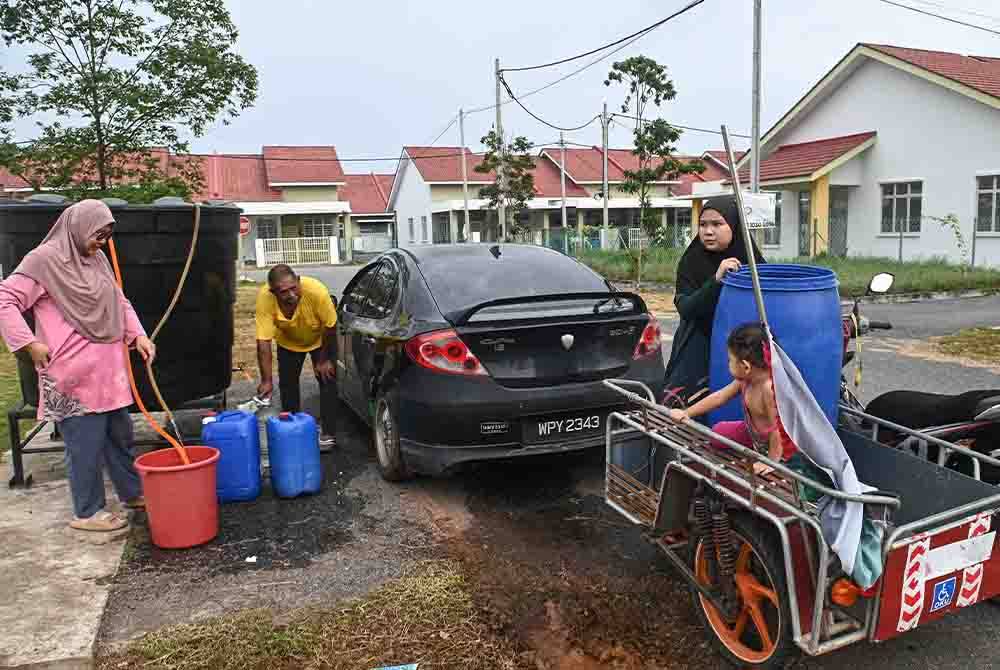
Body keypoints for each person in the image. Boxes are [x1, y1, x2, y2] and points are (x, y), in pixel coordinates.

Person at [0, 200, 156, 533]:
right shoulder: (42, 261)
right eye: (98, 234)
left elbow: (119, 301)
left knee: (119, 437)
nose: (102, 241)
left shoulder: (96, 259)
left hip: (108, 372)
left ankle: (132, 492)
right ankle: (87, 512)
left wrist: (137, 335)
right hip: (71, 374)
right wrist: (28, 343)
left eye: (107, 234)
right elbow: (6, 299)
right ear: (78, 226)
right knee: (84, 446)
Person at [663, 195, 764, 408]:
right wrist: (715, 281)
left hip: (744, 351)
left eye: (717, 224)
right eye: (703, 224)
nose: (708, 231)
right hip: (699, 348)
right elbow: (686, 309)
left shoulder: (752, 262)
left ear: (734, 226)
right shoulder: (691, 261)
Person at [255, 264, 337, 450]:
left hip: (320, 339)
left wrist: (323, 360)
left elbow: (330, 326)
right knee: (288, 385)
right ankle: (293, 430)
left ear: (299, 281)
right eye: (284, 292)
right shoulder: (265, 299)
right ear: (273, 292)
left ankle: (328, 433)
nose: (291, 295)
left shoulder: (316, 291)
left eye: (294, 288)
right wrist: (266, 380)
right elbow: (263, 343)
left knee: (328, 381)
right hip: (288, 342)